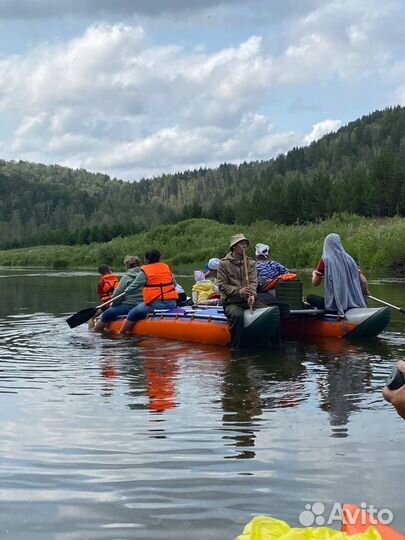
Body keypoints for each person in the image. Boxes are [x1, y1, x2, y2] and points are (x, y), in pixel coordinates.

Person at [217, 233, 264, 351]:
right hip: (232, 301)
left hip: (248, 300)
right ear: (234, 247)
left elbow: (253, 282)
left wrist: (252, 294)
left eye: (246, 244)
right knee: (237, 316)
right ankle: (235, 346)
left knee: (270, 311)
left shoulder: (251, 263)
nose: (245, 246)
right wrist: (238, 291)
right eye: (242, 243)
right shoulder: (224, 264)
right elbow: (222, 286)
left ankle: (271, 344)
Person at [307, 233, 369, 316]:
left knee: (310, 297)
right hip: (355, 302)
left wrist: (314, 274)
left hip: (334, 305)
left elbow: (315, 283)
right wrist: (366, 292)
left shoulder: (325, 260)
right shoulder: (349, 259)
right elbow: (363, 281)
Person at [119, 249, 178, 334]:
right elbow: (174, 284)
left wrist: (126, 291)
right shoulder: (166, 267)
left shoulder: (145, 270)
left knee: (132, 313)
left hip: (155, 305)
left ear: (147, 259)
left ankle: (121, 334)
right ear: (159, 258)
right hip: (172, 303)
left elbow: (134, 286)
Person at [93, 256, 143, 333]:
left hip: (129, 305)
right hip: (143, 305)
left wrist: (113, 305)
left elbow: (117, 294)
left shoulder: (126, 277)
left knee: (105, 314)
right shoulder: (145, 276)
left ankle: (95, 332)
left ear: (127, 266)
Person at [87, 264, 119, 328]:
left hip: (107, 305)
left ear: (101, 274)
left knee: (90, 317)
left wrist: (103, 306)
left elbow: (100, 296)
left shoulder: (101, 282)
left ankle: (91, 333)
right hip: (117, 303)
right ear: (109, 271)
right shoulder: (116, 279)